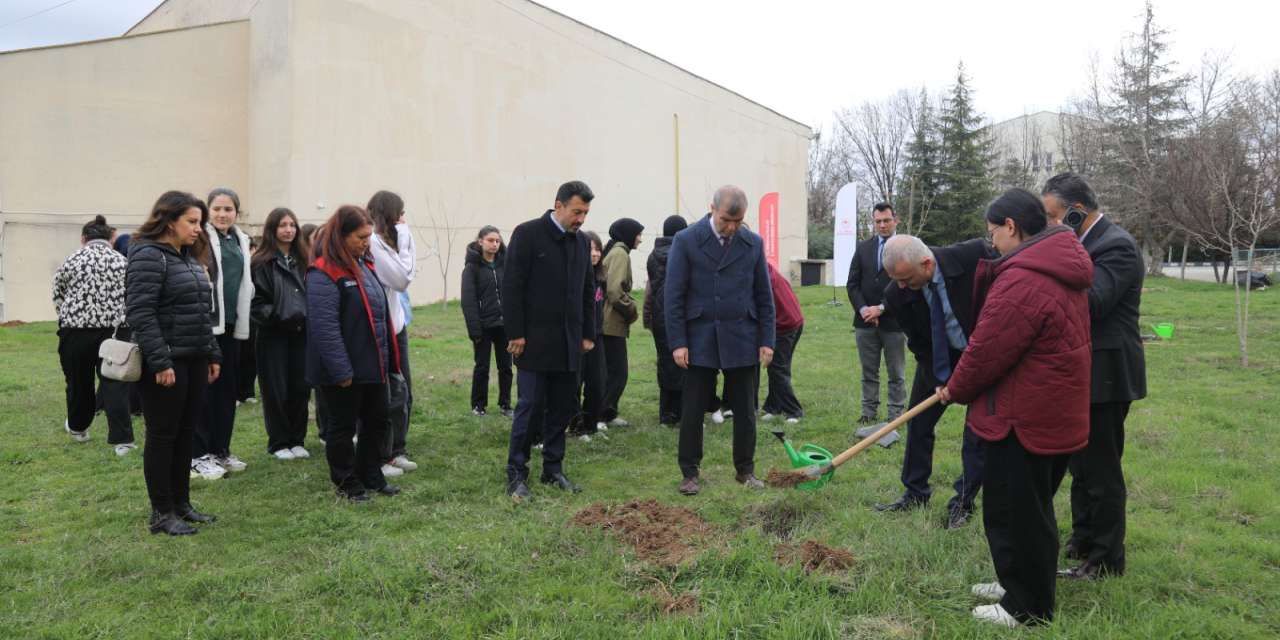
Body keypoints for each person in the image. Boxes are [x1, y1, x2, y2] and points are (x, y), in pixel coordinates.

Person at [940, 188, 1093, 627]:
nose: (992, 245)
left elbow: (988, 349)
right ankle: (1018, 580)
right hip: (1050, 410)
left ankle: (1027, 608)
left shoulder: (1025, 277)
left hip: (1025, 417)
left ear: (1011, 226)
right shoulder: (1059, 264)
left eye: (993, 235)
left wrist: (956, 388)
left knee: (1018, 511)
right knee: (1029, 508)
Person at [1042, 172, 1147, 580]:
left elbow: (1092, 302)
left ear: (1076, 212)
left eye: (1053, 216)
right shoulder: (1086, 243)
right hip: (1082, 371)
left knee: (1101, 469)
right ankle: (1083, 542)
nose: (1049, 224)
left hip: (1107, 374)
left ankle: (1105, 560)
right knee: (1079, 465)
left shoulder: (1116, 245)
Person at [877, 233, 994, 528]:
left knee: (977, 433)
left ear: (927, 263)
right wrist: (941, 378)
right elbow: (918, 342)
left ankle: (963, 502)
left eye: (906, 278)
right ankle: (915, 492)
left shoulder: (975, 257)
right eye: (896, 279)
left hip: (984, 357)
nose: (901, 286)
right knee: (918, 422)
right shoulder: (896, 294)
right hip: (938, 358)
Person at [666, 186, 775, 496]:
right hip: (699, 336)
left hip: (742, 336)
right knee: (692, 409)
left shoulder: (752, 243)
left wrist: (766, 339)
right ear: (711, 208)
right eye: (727, 219)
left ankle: (746, 470)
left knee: (745, 409)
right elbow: (673, 296)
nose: (731, 227)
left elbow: (763, 295)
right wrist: (678, 342)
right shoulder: (686, 240)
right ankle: (689, 472)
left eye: (738, 221)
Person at [126, 191, 222, 535]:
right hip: (166, 363)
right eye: (192, 222)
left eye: (200, 222)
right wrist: (160, 361)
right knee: (163, 436)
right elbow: (141, 313)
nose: (198, 229)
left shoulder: (186, 257)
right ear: (169, 221)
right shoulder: (148, 256)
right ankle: (162, 512)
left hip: (194, 359)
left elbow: (201, 312)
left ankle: (182, 504)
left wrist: (212, 353)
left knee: (185, 435)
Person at [501, 180, 597, 501]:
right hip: (533, 342)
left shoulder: (581, 242)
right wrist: (515, 332)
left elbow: (587, 290)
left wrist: (587, 333)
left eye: (585, 213)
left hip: (569, 343)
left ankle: (553, 469)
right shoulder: (527, 234)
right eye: (576, 211)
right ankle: (516, 473)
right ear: (558, 205)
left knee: (561, 408)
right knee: (529, 407)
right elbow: (512, 286)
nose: (580, 219)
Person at [305, 205, 401, 501]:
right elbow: (325, 328)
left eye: (369, 236)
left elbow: (378, 316)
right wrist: (341, 370)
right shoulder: (324, 272)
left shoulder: (365, 265)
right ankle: (346, 482)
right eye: (361, 236)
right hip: (344, 370)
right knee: (343, 427)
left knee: (378, 421)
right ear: (342, 235)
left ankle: (370, 473)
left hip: (373, 364)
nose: (366, 242)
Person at [52, 215, 135, 455]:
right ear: (111, 238)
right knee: (115, 384)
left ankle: (79, 428)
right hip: (115, 331)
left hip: (76, 331)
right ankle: (123, 441)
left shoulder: (71, 260)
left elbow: (58, 294)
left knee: (79, 382)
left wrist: (68, 317)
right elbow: (132, 295)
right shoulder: (122, 261)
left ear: (83, 238)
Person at [192, 187, 253, 480]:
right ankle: (198, 455)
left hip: (232, 326)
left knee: (227, 392)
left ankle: (220, 450)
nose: (222, 214)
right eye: (216, 209)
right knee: (204, 391)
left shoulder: (240, 240)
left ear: (236, 213)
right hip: (207, 326)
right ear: (208, 211)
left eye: (228, 209)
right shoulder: (199, 239)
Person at [250, 207, 312, 461]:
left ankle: (297, 439)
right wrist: (278, 316)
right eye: (282, 225)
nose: (288, 230)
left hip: (302, 333)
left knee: (300, 386)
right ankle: (279, 442)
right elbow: (256, 302)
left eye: (292, 225)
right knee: (275, 389)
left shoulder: (304, 260)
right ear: (272, 229)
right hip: (273, 334)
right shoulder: (261, 261)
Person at [367, 190, 418, 478]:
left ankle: (396, 449)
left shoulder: (391, 243)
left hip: (396, 327)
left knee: (402, 391)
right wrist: (407, 239)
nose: (403, 218)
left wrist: (403, 242)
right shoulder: (374, 243)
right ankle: (380, 453)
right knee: (383, 395)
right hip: (379, 330)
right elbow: (402, 279)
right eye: (399, 213)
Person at [847, 202, 907, 425]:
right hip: (865, 323)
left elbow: (908, 284)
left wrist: (881, 308)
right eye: (878, 221)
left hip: (893, 322)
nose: (882, 225)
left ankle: (896, 414)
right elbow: (852, 284)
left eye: (886, 220)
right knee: (868, 371)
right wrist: (864, 310)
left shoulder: (905, 247)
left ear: (895, 220)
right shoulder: (863, 248)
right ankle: (868, 412)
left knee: (896, 373)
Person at [461, 225, 513, 417]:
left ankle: (505, 405)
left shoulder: (505, 265)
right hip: (484, 326)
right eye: (490, 240)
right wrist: (475, 330)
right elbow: (468, 302)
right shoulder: (471, 268)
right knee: (482, 367)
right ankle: (478, 406)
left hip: (504, 325)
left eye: (497, 241)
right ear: (480, 241)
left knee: (506, 367)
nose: (494, 244)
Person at [644, 215, 688, 426]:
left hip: (658, 317)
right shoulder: (681, 253)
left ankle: (665, 413)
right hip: (677, 315)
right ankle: (679, 413)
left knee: (665, 362)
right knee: (682, 363)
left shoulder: (653, 255)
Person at [600, 217, 644, 427]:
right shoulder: (620, 253)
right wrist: (632, 309)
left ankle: (607, 412)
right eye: (638, 234)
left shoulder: (616, 251)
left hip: (609, 322)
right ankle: (602, 413)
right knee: (618, 373)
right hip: (611, 323)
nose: (641, 240)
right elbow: (614, 290)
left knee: (611, 371)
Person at [567, 231, 608, 441]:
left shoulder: (601, 278)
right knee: (575, 383)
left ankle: (591, 424)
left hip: (597, 336)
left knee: (598, 382)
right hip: (578, 338)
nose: (595, 254)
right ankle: (576, 426)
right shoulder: (576, 278)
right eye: (590, 249)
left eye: (598, 249)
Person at [762, 261, 804, 423]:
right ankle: (774, 407)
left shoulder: (759, 272)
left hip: (785, 324)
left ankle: (793, 411)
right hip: (792, 319)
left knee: (778, 368)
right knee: (777, 367)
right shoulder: (763, 266)